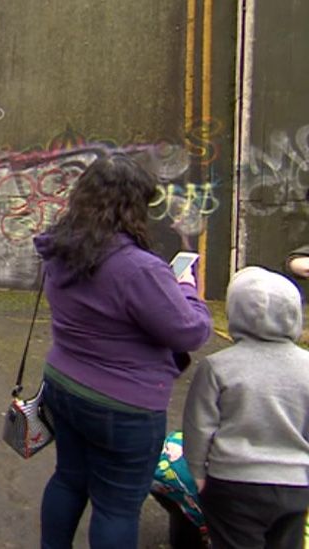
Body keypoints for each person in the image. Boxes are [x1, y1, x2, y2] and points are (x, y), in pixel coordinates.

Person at [32, 154, 213, 548]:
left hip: (62, 385)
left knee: (68, 479)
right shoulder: (139, 269)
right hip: (123, 405)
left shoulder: (59, 250)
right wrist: (186, 289)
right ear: (132, 206)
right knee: (117, 506)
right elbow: (189, 332)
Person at [183, 266, 309, 549]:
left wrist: (197, 473)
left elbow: (199, 427)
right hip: (295, 484)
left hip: (232, 482)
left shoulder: (217, 366)